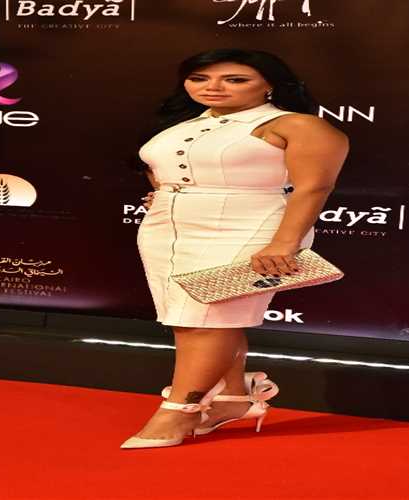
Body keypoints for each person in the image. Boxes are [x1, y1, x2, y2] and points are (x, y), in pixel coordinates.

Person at [123, 48, 348, 449]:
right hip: (167, 230)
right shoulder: (183, 123)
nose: (213, 87)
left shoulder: (296, 124)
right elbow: (158, 168)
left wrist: (284, 243)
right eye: (200, 78)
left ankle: (180, 411)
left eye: (235, 79)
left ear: (269, 84)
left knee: (207, 319)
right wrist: (169, 194)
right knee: (192, 319)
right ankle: (231, 397)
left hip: (250, 227)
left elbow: (314, 187)